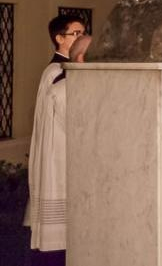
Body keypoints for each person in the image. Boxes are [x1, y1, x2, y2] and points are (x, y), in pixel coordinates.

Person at [26, 16, 86, 266]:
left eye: (83, 33)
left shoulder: (66, 70)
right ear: (59, 38)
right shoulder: (57, 72)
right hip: (58, 149)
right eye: (75, 33)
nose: (81, 38)